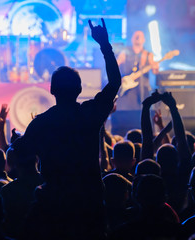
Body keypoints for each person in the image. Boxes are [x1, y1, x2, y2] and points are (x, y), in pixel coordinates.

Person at [16, 19, 121, 239]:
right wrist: (105, 45)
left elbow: (20, 154)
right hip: (88, 201)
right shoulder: (88, 115)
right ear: (80, 89)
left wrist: (18, 141)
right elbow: (114, 83)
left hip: (54, 201)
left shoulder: (41, 123)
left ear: (52, 89)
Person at [116, 30, 159, 110]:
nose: (138, 38)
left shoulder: (148, 54)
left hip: (143, 88)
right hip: (128, 89)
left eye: (140, 36)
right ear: (132, 39)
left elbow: (155, 72)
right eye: (136, 36)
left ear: (144, 40)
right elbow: (115, 66)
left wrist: (156, 68)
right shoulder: (125, 52)